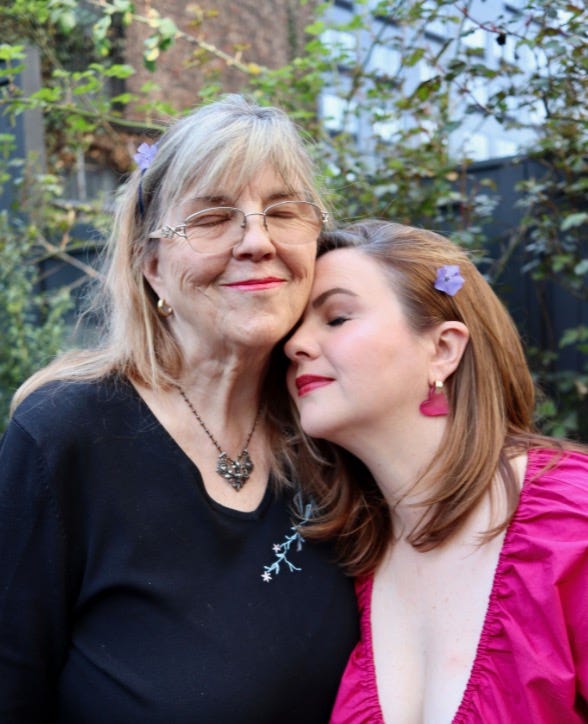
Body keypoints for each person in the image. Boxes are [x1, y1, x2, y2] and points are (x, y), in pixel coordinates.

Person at [0, 94, 359, 723]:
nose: (257, 240)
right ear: (153, 267)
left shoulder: (333, 432)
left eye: (283, 211)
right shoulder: (64, 438)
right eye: (213, 217)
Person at [284, 219, 588, 723]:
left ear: (443, 349)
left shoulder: (572, 524)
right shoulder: (338, 565)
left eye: (336, 318)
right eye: (292, 329)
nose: (295, 346)